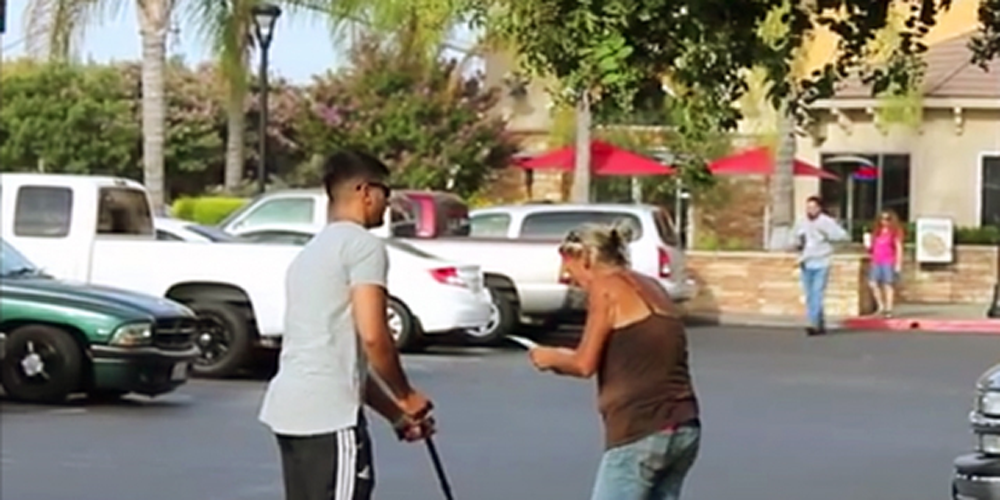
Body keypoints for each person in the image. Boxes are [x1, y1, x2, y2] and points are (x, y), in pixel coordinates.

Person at [258, 150, 434, 500]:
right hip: (330, 418)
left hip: (291, 412)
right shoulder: (363, 246)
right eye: (386, 192)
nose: (387, 203)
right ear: (365, 191)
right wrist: (406, 395)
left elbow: (345, 365)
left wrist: (398, 416)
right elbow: (374, 336)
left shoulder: (310, 254)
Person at [528, 223, 701, 500]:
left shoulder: (606, 288)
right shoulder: (651, 286)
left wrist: (549, 357)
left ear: (586, 258)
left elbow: (584, 364)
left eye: (569, 268)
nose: (566, 278)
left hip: (641, 430)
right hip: (683, 426)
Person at [793, 195, 850, 336]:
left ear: (819, 208)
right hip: (806, 262)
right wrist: (797, 243)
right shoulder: (802, 222)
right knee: (809, 295)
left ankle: (813, 324)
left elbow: (844, 236)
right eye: (808, 207)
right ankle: (820, 323)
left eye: (814, 207)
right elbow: (794, 238)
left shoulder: (826, 222)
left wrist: (827, 235)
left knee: (817, 294)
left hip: (821, 262)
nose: (811, 210)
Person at [866, 209, 905, 317]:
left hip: (888, 260)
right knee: (873, 283)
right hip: (876, 260)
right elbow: (872, 248)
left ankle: (889, 308)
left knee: (888, 284)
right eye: (882, 219)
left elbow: (899, 248)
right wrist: (868, 245)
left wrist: (898, 263)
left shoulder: (894, 232)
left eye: (887, 219)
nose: (884, 221)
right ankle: (881, 306)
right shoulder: (877, 233)